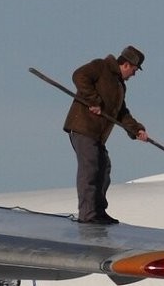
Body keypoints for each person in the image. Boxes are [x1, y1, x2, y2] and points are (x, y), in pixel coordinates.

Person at [63, 46, 149, 225]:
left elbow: (122, 113)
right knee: (90, 168)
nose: (134, 74)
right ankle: (88, 214)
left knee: (104, 168)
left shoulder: (119, 86)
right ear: (126, 65)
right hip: (83, 128)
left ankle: (98, 211)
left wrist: (136, 130)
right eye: (134, 70)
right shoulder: (101, 67)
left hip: (97, 135)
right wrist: (92, 100)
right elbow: (79, 75)